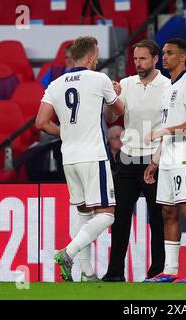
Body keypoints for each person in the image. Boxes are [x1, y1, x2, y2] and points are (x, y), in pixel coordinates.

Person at [35, 36, 124, 282]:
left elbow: (41, 122)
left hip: (69, 158)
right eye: (96, 55)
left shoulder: (55, 84)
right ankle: (68, 252)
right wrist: (116, 93)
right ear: (91, 57)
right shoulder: (100, 79)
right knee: (107, 214)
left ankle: (86, 274)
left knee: (83, 213)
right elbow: (120, 111)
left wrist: (65, 132)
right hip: (93, 155)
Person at [143, 37, 186, 283]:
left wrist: (163, 133)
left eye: (169, 53)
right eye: (163, 53)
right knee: (168, 212)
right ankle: (170, 271)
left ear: (182, 57)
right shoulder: (168, 87)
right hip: (169, 157)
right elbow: (168, 125)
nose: (164, 57)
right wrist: (155, 161)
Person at [101, 39, 169, 282]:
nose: (138, 63)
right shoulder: (127, 84)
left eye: (143, 59)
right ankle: (115, 272)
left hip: (154, 158)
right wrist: (112, 98)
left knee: (157, 218)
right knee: (119, 218)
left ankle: (157, 272)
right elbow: (111, 116)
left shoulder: (168, 86)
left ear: (155, 59)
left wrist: (159, 158)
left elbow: (170, 127)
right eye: (135, 59)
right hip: (128, 158)